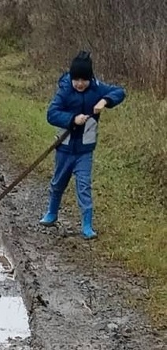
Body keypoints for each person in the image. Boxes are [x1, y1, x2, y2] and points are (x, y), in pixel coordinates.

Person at [40, 51, 125, 239]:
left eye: (84, 80)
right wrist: (72, 118)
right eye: (76, 79)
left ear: (90, 78)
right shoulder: (64, 90)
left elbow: (120, 92)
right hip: (64, 148)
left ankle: (87, 225)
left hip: (85, 150)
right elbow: (51, 114)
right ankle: (52, 213)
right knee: (58, 183)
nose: (80, 84)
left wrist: (105, 101)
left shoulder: (97, 89)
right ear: (71, 78)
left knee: (84, 186)